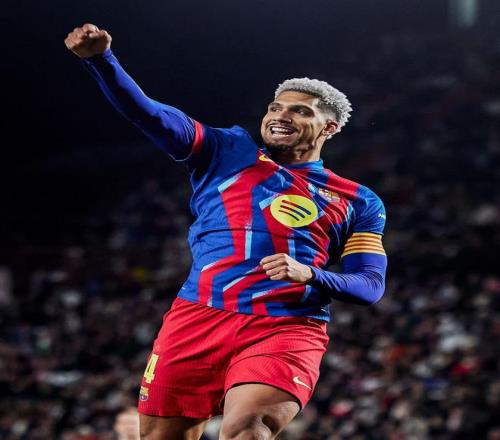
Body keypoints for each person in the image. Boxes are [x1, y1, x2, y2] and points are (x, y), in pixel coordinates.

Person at [65, 23, 387, 440]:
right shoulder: (224, 151)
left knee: (246, 428)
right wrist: (101, 61)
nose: (281, 115)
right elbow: (149, 114)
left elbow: (369, 285)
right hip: (196, 316)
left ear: (329, 128)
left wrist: (311, 274)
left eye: (301, 111)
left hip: (285, 326)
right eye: (275, 107)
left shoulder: (357, 200)